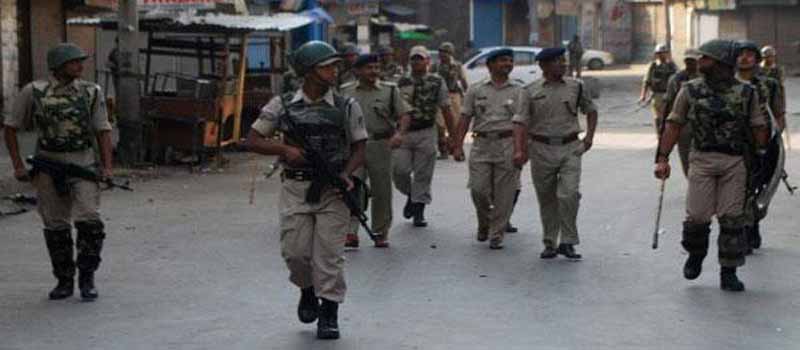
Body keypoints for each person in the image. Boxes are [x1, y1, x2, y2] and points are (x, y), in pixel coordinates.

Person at [244, 41, 367, 339]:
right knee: (295, 254)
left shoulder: (346, 105)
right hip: (296, 187)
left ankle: (329, 312)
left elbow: (360, 146)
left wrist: (347, 175)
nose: (333, 71)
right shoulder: (282, 104)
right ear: (309, 72)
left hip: (333, 190)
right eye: (327, 66)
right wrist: (284, 149)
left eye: (335, 66)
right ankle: (307, 290)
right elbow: (252, 140)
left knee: (329, 257)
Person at [654, 39, 769, 292]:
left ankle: (729, 271)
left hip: (734, 162)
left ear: (720, 63)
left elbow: (759, 126)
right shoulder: (690, 90)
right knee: (697, 216)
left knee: (731, 219)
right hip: (702, 159)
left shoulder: (747, 93)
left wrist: (761, 153)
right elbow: (673, 124)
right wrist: (662, 158)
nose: (700, 62)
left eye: (705, 58)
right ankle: (695, 255)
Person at [3, 43, 113, 301]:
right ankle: (64, 280)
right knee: (55, 225)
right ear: (59, 66)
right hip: (48, 165)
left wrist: (107, 167)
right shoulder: (34, 92)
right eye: (74, 62)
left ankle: (87, 278)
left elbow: (103, 130)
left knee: (90, 221)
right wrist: (18, 165)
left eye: (80, 61)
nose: (80, 66)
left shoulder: (90, 92)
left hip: (83, 164)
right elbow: (10, 127)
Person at [512, 47, 598, 260]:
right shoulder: (529, 91)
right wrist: (519, 150)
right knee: (547, 198)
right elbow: (520, 122)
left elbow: (592, 110)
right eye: (558, 61)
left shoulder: (576, 87)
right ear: (543, 65)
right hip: (540, 149)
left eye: (564, 60)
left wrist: (588, 139)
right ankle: (550, 242)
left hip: (570, 148)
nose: (563, 64)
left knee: (568, 194)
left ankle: (568, 241)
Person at [453, 48, 523, 249]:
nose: (507, 64)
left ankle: (496, 233)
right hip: (482, 145)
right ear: (490, 65)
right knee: (478, 190)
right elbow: (465, 118)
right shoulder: (476, 90)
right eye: (503, 61)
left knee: (504, 194)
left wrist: (522, 149)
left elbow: (523, 123)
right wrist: (457, 145)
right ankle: (485, 222)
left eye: (510, 61)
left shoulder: (518, 91)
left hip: (507, 144)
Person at [340, 54, 412, 248]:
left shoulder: (390, 91)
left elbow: (404, 114)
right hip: (353, 147)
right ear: (357, 71)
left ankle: (380, 231)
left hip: (380, 145)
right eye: (369, 68)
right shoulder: (345, 92)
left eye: (376, 68)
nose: (373, 72)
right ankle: (350, 231)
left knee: (382, 190)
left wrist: (399, 134)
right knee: (352, 187)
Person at [395, 46, 458, 227]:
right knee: (399, 171)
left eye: (420, 58)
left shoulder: (437, 81)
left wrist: (454, 139)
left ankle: (419, 211)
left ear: (427, 61)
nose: (416, 62)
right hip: (404, 133)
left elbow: (446, 109)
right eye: (413, 58)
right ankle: (411, 195)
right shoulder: (400, 81)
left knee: (423, 174)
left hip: (426, 131)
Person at [735, 40, 786, 253]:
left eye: (749, 54)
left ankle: (753, 223)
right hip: (735, 145)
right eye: (741, 54)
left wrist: (771, 143)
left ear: (757, 60)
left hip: (762, 146)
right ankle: (743, 230)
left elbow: (779, 115)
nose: (745, 58)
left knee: (759, 189)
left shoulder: (769, 84)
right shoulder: (726, 84)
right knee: (738, 191)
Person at [661, 49, 701, 176]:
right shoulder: (676, 79)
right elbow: (668, 104)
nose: (690, 63)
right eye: (687, 61)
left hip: (704, 126)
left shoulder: (706, 78)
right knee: (687, 162)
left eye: (693, 61)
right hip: (684, 127)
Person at [431, 42, 469, 159]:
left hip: (454, 96)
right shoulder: (435, 66)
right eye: (441, 52)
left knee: (456, 125)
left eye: (445, 52)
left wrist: (467, 96)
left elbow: (463, 81)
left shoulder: (457, 66)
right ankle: (443, 150)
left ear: (451, 53)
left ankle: (456, 148)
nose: (442, 55)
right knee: (440, 125)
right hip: (439, 97)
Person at [640, 44, 678, 137]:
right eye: (659, 53)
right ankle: (659, 134)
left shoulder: (672, 66)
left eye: (664, 53)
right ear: (656, 54)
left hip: (669, 94)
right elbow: (646, 81)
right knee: (657, 117)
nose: (662, 55)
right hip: (657, 95)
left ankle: (667, 134)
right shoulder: (653, 66)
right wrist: (643, 95)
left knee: (669, 116)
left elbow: (678, 79)